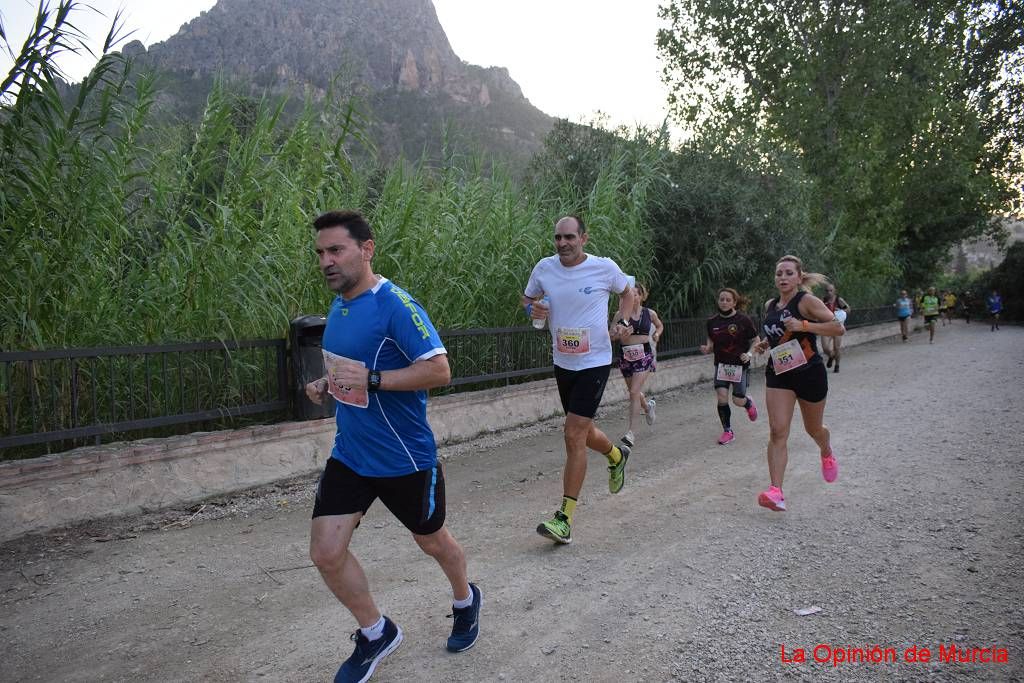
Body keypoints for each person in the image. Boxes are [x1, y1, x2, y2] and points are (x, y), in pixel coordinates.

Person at [305, 211, 481, 683]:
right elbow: (354, 368)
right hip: (351, 455)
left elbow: (440, 369)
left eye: (335, 250)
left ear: (367, 249)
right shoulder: (340, 307)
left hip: (404, 458)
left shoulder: (396, 305)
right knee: (325, 552)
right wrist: (329, 382)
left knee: (433, 542)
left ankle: (466, 598)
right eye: (320, 253)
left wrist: (374, 379)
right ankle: (376, 632)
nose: (326, 261)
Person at [523, 215, 635, 545]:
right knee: (582, 431)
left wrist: (624, 320)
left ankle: (564, 519)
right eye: (558, 237)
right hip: (563, 361)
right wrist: (534, 311)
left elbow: (627, 293)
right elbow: (527, 300)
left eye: (569, 237)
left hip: (595, 361)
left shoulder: (603, 267)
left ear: (583, 238)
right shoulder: (544, 268)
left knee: (572, 433)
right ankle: (616, 455)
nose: (562, 244)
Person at [751, 255, 845, 512]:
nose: (783, 277)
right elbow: (779, 335)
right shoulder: (771, 305)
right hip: (779, 373)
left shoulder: (806, 301)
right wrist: (764, 344)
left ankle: (826, 450)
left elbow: (837, 329)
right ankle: (776, 491)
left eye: (789, 273)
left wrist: (804, 324)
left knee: (813, 429)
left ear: (799, 277)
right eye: (779, 273)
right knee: (777, 430)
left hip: (809, 373)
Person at [699, 287, 759, 445]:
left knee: (737, 400)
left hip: (739, 365)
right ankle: (728, 431)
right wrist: (708, 348)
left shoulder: (743, 320)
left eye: (728, 300)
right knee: (721, 398)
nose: (724, 302)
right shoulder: (712, 322)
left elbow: (756, 340)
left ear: (734, 302)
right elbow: (711, 341)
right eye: (721, 299)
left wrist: (750, 354)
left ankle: (748, 403)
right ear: (718, 301)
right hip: (721, 366)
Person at [611, 282, 664, 448]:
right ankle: (648, 407)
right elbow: (611, 336)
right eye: (629, 294)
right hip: (625, 356)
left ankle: (631, 433)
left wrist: (656, 333)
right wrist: (617, 333)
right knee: (633, 392)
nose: (632, 297)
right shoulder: (619, 315)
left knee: (634, 392)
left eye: (635, 294)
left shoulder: (649, 313)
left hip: (644, 355)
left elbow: (660, 325)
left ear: (641, 296)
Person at [819, 283, 849, 373]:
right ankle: (831, 356)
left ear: (834, 291)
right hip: (826, 327)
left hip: (837, 327)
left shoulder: (839, 300)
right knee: (825, 348)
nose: (829, 292)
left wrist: (841, 310)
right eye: (827, 291)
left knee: (837, 347)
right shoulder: (823, 301)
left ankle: (837, 365)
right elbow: (817, 311)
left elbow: (848, 309)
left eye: (831, 290)